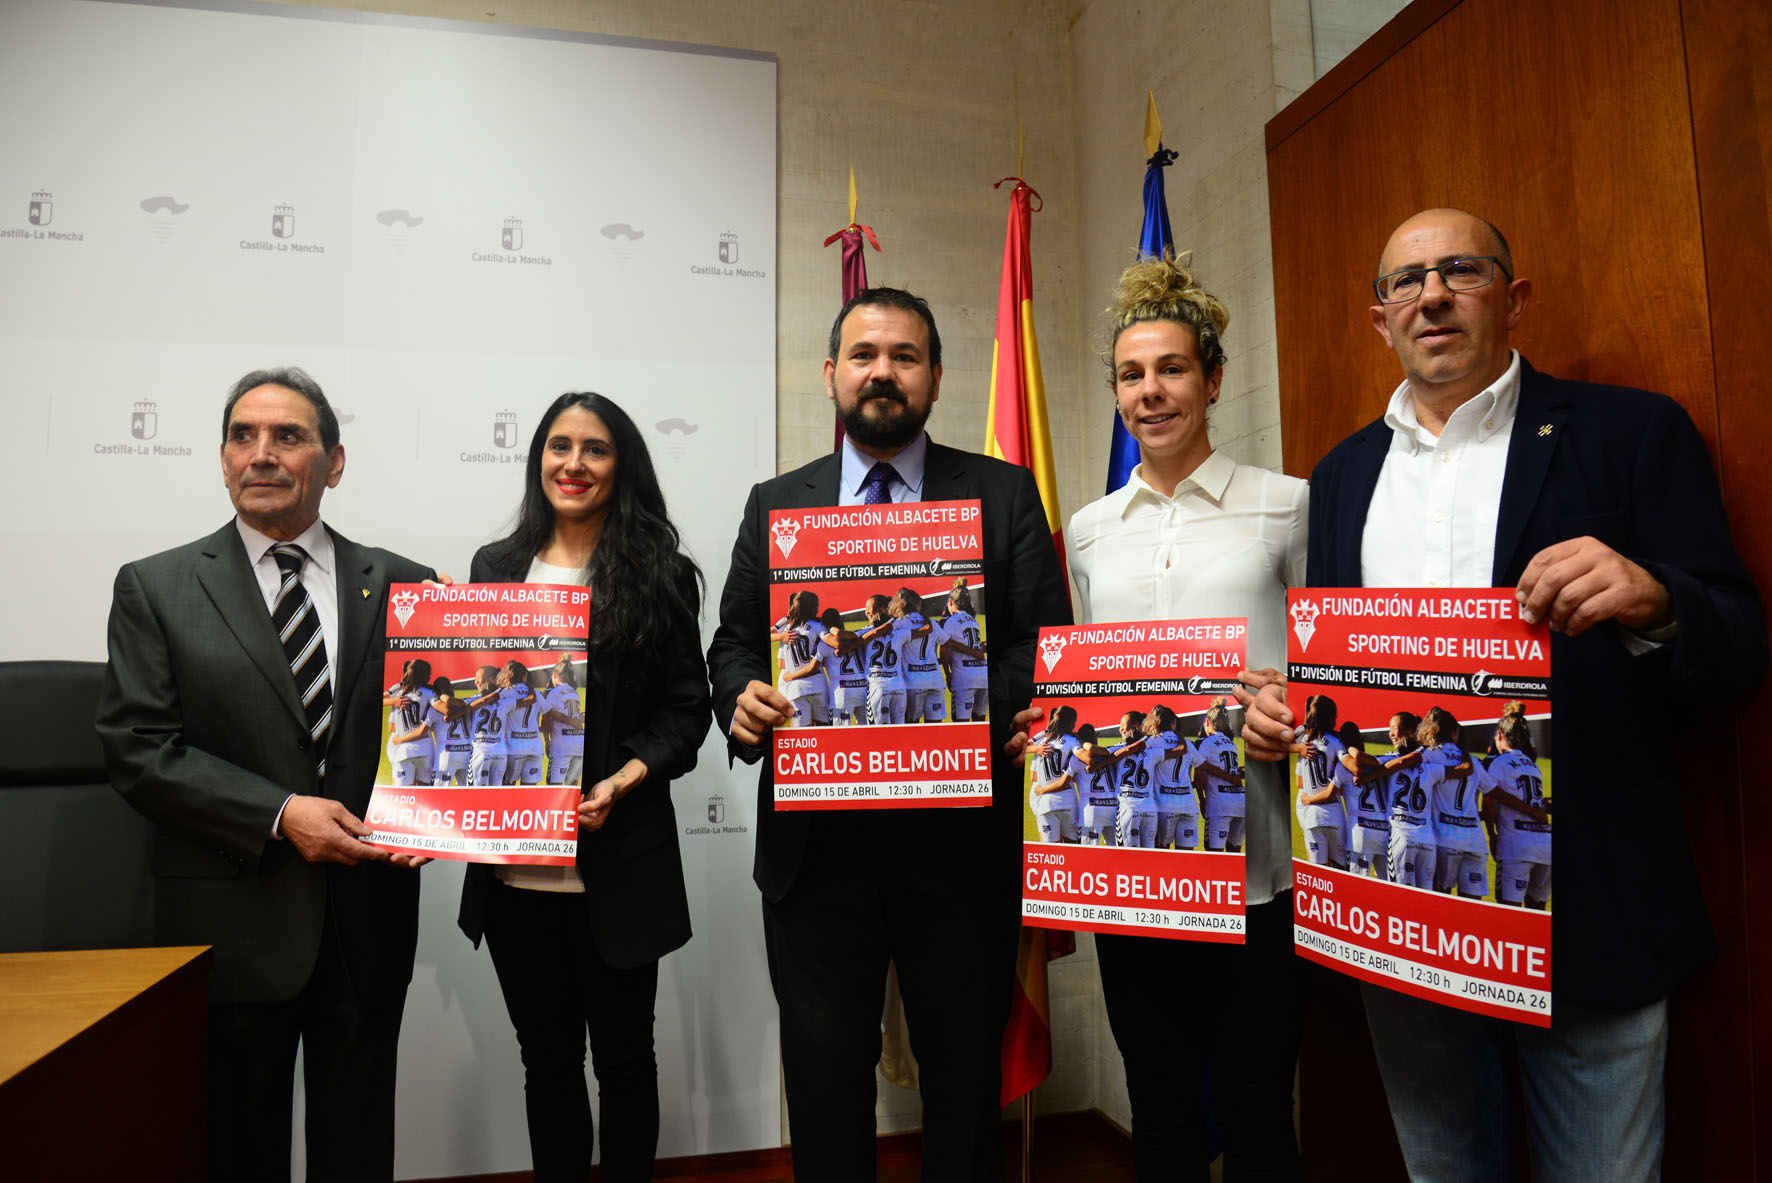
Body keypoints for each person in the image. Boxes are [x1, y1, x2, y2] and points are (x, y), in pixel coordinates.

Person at [1237, 208, 1767, 1180]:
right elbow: (1344, 681)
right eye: (1406, 281)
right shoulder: (1342, 474)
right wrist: (1288, 706)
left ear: (1510, 298)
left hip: (1586, 910)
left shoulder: (1629, 431)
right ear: (1379, 318)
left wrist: (1653, 598)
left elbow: (1737, 641)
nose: (1430, 294)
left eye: (1458, 270)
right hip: (1396, 911)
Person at [707, 286, 1069, 1180]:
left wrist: (956, 720)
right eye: (864, 354)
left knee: (962, 1089)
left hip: (959, 846)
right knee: (826, 1088)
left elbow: (1039, 642)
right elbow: (735, 646)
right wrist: (742, 700)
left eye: (905, 356)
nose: (883, 372)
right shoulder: (774, 503)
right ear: (830, 374)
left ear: (936, 377)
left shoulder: (1001, 490)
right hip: (816, 851)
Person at [95, 366, 434, 1182]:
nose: (263, 454)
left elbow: (436, 737)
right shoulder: (158, 586)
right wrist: (283, 812)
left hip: (366, 920)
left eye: (289, 436)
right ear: (221, 459)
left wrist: (448, 807)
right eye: (243, 436)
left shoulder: (406, 586)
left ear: (335, 461)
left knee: (358, 1152)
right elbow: (138, 746)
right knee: (236, 1152)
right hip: (233, 920)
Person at [1066, 252, 1309, 1179]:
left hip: (1260, 865)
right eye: (1132, 374)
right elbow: (1095, 685)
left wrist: (1287, 701)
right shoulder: (1091, 529)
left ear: (1211, 378)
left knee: (1255, 1110)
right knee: (1159, 1108)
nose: (1151, 391)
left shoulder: (1286, 507)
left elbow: (1336, 673)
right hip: (1133, 872)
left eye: (1171, 369)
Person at [456, 392, 711, 1183]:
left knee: (627, 1063)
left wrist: (624, 777)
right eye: (559, 445)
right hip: (514, 875)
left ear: (620, 464)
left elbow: (687, 709)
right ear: (539, 459)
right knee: (548, 1063)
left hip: (619, 865)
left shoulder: (660, 571)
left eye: (594, 449)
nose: (573, 463)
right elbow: (479, 702)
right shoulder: (493, 568)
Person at [1484, 706, 1550, 909]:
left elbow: (1489, 799)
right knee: (1536, 911)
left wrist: (1492, 835)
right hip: (1545, 844)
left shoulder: (1498, 763)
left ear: (1499, 734)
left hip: (1516, 846)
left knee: (1507, 909)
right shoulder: (1533, 766)